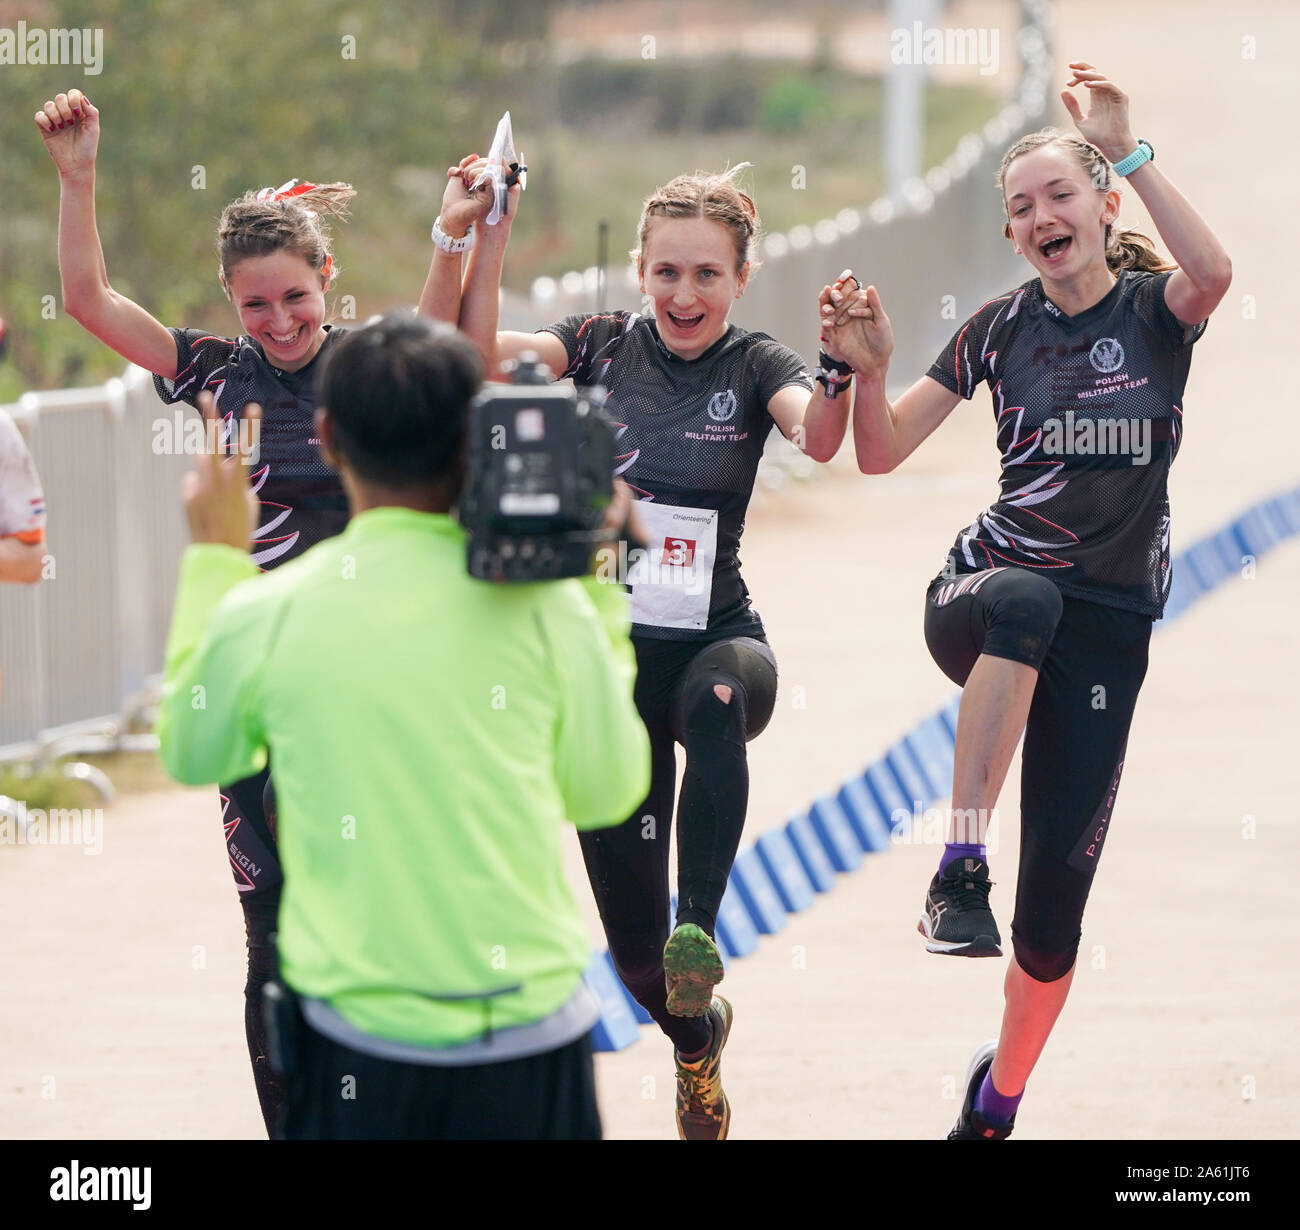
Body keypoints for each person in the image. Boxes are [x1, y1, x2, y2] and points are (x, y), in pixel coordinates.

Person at [34, 86, 478, 1135]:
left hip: (374, 686)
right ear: (232, 306)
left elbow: (439, 319)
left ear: (329, 279)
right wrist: (80, 178)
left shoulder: (369, 368)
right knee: (270, 935)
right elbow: (92, 302)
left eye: (295, 298)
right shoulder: (216, 376)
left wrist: (452, 233)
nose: (279, 322)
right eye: (255, 306)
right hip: (262, 691)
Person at [822, 62, 1231, 1138]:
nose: (1041, 217)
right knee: (1026, 601)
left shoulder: (1156, 313)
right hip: (984, 592)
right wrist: (868, 371)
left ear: (1103, 208)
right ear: (1009, 238)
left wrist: (1126, 145)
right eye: (1020, 209)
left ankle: (995, 1102)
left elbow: (1215, 268)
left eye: (1060, 196)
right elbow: (880, 452)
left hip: (1109, 631)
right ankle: (958, 867)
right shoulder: (998, 330)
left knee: (1050, 930)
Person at [438, 155, 867, 1139]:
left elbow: (821, 434)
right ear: (638, 269)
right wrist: (483, 233)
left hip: (720, 645)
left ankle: (700, 931)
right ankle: (693, 1034)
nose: (684, 294)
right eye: (667, 273)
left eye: (706, 275)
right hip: (610, 674)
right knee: (639, 976)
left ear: (739, 279)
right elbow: (469, 353)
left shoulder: (756, 366)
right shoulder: (595, 347)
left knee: (717, 701)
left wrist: (842, 365)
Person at [155, 314, 650, 1139]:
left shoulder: (274, 609)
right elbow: (606, 791)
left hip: (356, 1046)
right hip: (528, 1035)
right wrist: (600, 584)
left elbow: (190, 745)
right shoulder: (548, 608)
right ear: (476, 438)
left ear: (325, 437)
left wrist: (213, 558)